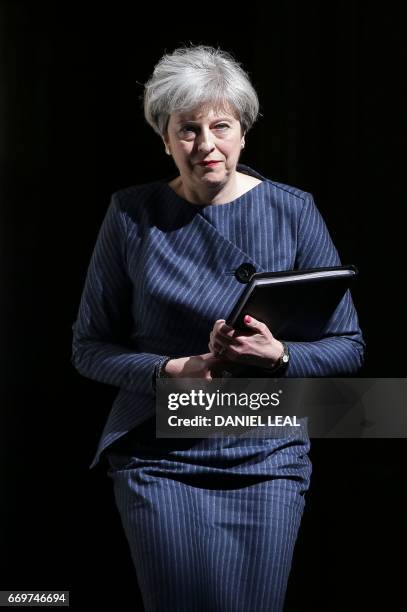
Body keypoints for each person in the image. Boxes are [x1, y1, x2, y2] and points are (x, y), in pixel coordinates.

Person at [71, 45, 365, 612]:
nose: (206, 145)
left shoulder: (293, 210)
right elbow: (88, 348)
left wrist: (278, 357)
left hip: (265, 452)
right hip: (160, 454)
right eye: (188, 129)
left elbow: (349, 346)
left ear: (243, 133)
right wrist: (172, 370)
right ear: (164, 138)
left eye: (221, 126)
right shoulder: (131, 214)